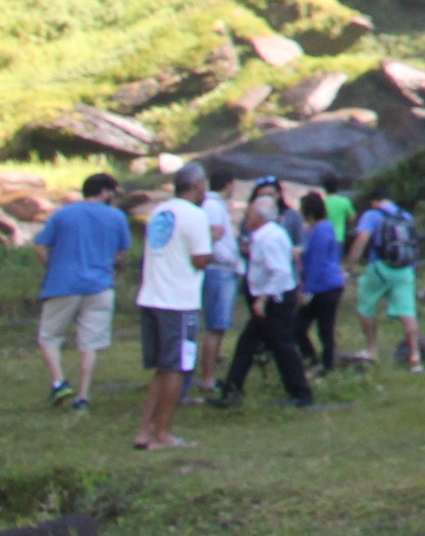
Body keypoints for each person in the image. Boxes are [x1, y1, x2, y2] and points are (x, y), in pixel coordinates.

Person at [31, 172, 131, 412]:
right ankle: (83, 396)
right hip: (100, 286)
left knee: (49, 336)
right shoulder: (117, 217)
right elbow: (122, 253)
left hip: (63, 284)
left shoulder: (64, 213)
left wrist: (51, 266)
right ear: (104, 192)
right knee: (89, 343)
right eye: (113, 194)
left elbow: (39, 246)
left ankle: (59, 382)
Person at [131, 164, 214, 452]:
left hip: (152, 295)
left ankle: (145, 430)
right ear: (199, 185)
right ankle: (163, 433)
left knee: (161, 369)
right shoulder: (195, 216)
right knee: (178, 367)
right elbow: (200, 259)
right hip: (179, 302)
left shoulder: (159, 211)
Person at [214, 189, 314, 408]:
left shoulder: (267, 239)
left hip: (274, 300)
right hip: (272, 297)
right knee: (248, 343)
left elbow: (280, 272)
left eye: (249, 215)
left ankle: (301, 393)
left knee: (282, 345)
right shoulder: (269, 235)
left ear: (258, 218)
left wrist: (263, 300)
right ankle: (233, 389)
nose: (246, 219)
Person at [350, 189, 422, 371]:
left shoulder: (372, 215)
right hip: (405, 269)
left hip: (380, 267)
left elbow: (362, 239)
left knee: (366, 306)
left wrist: (351, 264)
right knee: (408, 312)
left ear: (374, 202)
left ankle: (372, 349)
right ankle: (415, 356)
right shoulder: (405, 215)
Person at [192, 176, 244, 400]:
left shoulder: (214, 205)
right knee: (216, 326)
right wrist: (231, 261)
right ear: (228, 184)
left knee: (218, 326)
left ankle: (209, 372)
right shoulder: (213, 206)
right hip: (219, 270)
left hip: (221, 269)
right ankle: (208, 378)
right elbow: (211, 240)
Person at [295, 192, 346, 374]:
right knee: (298, 327)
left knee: (325, 328)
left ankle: (326, 365)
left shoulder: (322, 230)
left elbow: (318, 261)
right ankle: (312, 359)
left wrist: (307, 291)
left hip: (326, 286)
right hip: (319, 284)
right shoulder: (313, 230)